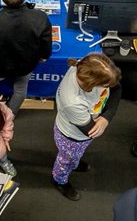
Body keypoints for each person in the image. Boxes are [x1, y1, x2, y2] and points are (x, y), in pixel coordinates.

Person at [52, 54, 121, 200]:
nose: (108, 87)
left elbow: (116, 88)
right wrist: (104, 119)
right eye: (105, 85)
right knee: (66, 159)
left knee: (75, 156)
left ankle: (74, 163)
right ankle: (59, 180)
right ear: (91, 84)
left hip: (82, 134)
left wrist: (105, 117)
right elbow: (91, 130)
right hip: (72, 137)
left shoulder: (85, 65)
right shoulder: (73, 101)